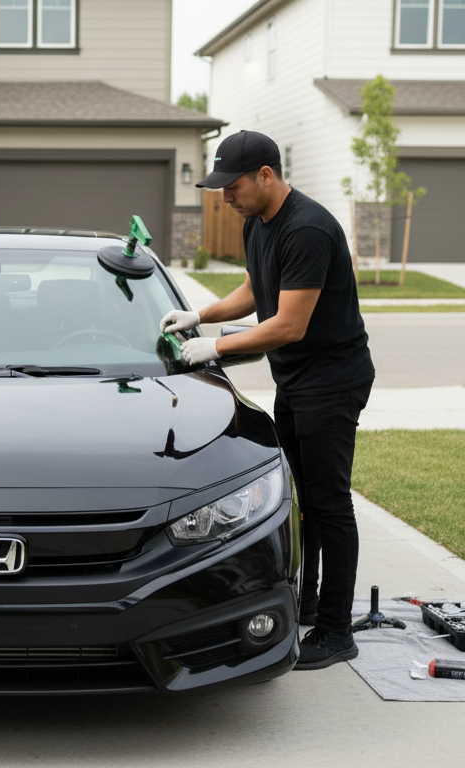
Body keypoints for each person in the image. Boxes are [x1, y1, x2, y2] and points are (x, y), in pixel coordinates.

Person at [160, 130, 375, 670]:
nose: (225, 198)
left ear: (266, 176)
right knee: (304, 501)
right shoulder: (259, 222)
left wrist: (216, 347)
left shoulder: (308, 228)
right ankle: (308, 603)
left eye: (232, 187)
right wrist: (200, 315)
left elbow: (288, 325)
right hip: (299, 380)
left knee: (330, 504)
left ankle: (335, 629)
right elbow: (257, 289)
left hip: (332, 379)